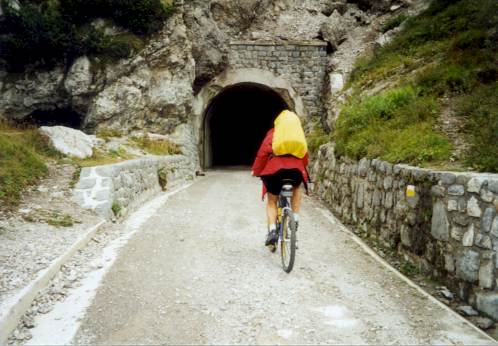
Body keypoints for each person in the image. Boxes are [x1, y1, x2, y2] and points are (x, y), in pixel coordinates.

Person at [252, 120, 309, 250]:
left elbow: (262, 154)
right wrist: (302, 168)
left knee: (272, 201)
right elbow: (305, 155)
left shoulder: (274, 134)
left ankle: (272, 230)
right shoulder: (297, 136)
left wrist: (256, 170)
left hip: (275, 171)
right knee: (296, 188)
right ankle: (294, 218)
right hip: (295, 172)